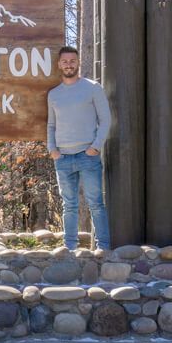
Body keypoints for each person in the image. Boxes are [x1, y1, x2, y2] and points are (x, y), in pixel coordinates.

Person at [47, 45, 112, 251]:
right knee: (69, 206)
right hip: (62, 158)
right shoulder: (54, 94)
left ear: (78, 63)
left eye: (72, 61)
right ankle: (70, 248)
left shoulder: (93, 88)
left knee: (96, 204)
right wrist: (52, 149)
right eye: (65, 61)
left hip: (88, 156)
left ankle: (103, 247)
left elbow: (106, 120)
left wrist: (95, 147)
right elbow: (51, 124)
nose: (69, 65)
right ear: (59, 64)